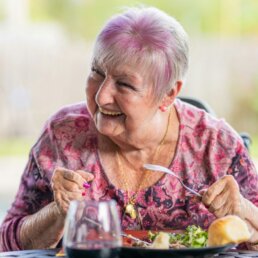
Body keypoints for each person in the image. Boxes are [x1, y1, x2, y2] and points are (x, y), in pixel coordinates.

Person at [0, 6, 258, 252]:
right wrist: (58, 212)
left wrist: (244, 210)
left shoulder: (217, 147)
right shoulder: (63, 135)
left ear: (168, 94)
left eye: (124, 84)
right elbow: (6, 244)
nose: (101, 97)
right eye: (96, 72)